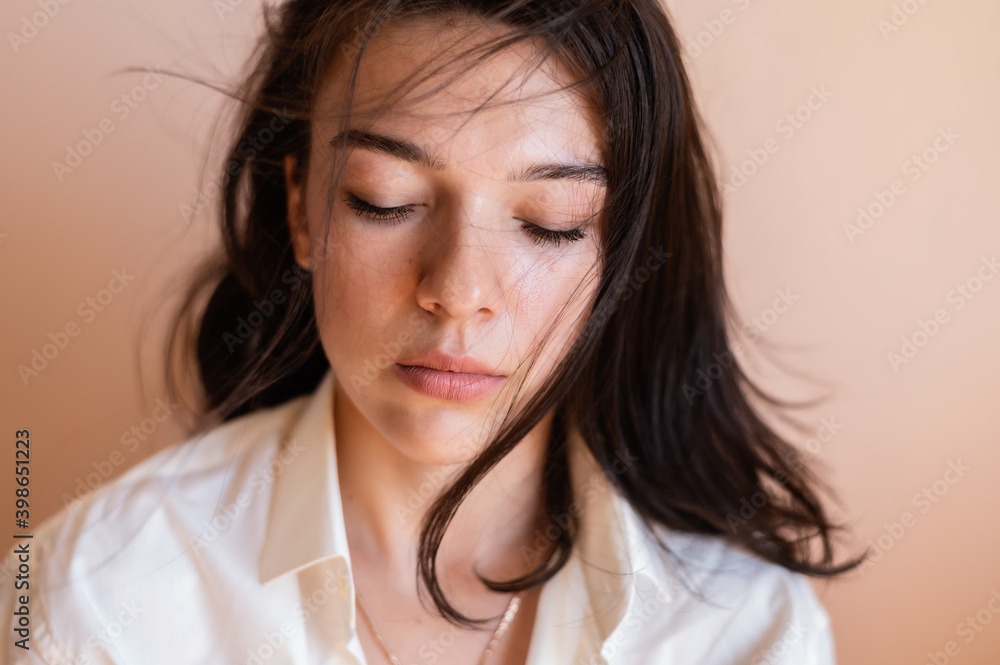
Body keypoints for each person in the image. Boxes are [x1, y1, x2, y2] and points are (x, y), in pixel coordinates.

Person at [1, 1, 863, 663]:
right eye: (387, 200)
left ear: (622, 250)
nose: (457, 292)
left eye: (551, 221)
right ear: (302, 208)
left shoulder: (745, 632)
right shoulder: (91, 601)